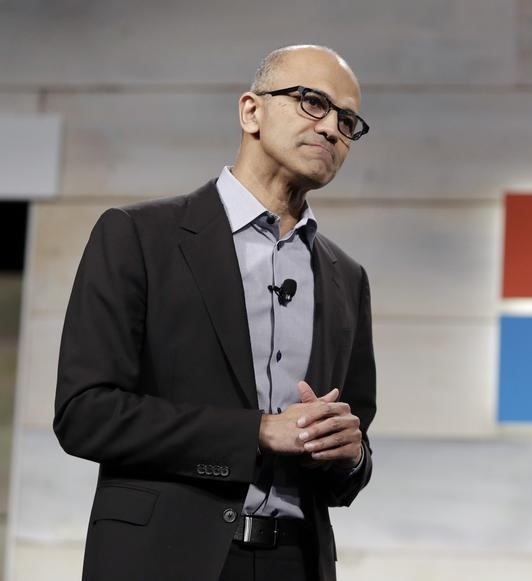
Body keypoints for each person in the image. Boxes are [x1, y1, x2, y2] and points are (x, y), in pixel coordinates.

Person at [53, 44, 376, 581]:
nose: (331, 130)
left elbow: (354, 446)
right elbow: (85, 413)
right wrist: (256, 432)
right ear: (251, 110)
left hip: (295, 562)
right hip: (162, 558)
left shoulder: (347, 277)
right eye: (312, 103)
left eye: (348, 121)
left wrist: (350, 455)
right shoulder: (138, 236)